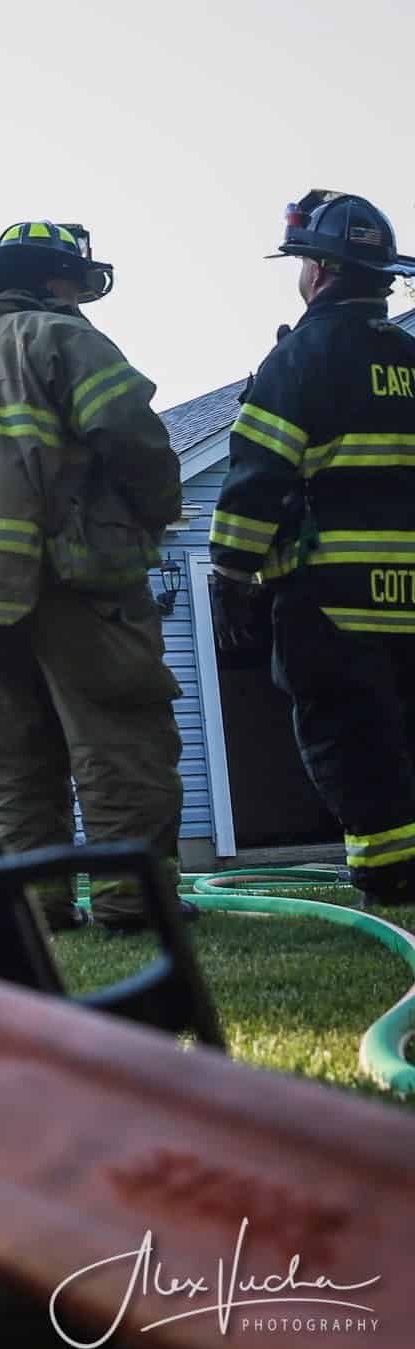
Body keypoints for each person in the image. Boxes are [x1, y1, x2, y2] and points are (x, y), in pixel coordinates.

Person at [0, 221, 184, 933]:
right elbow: (133, 437)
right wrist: (154, 515)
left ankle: (37, 907)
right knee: (119, 740)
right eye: (77, 280)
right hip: (70, 576)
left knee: (11, 758)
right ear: (53, 280)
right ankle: (133, 901)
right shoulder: (62, 337)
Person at [210, 190, 415, 910]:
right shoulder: (409, 356)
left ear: (319, 271)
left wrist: (231, 573)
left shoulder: (300, 358)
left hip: (331, 593)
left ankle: (389, 874)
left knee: (349, 738)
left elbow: (258, 476)